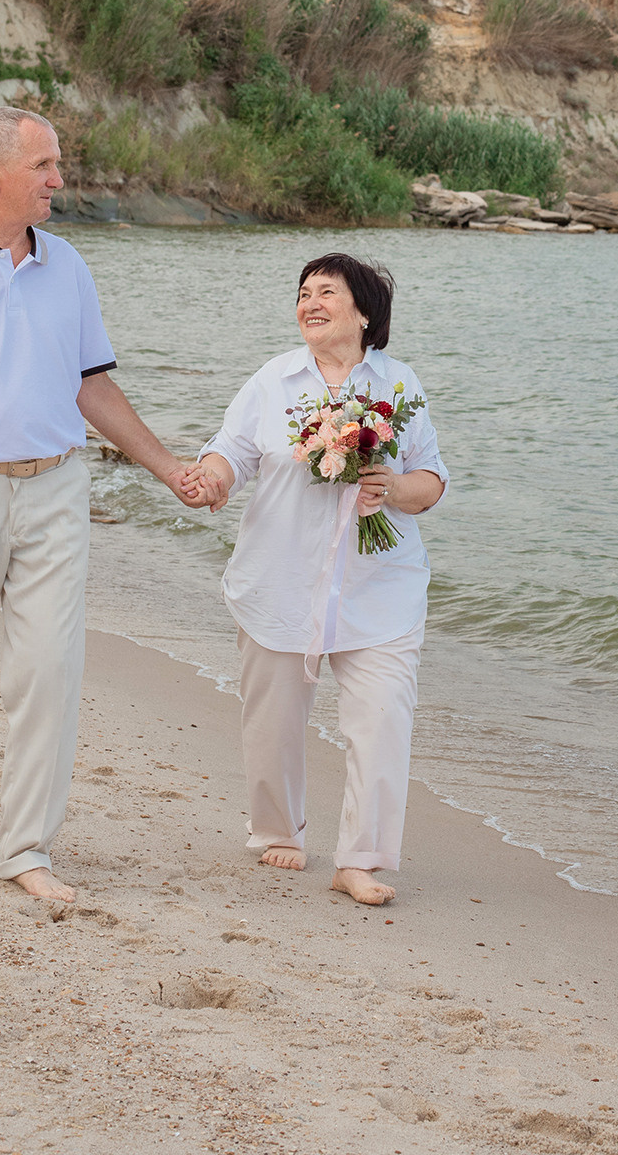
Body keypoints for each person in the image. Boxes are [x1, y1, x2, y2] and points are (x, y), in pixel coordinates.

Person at [0, 106, 216, 901]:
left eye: (58, 164)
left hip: (57, 489)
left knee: (51, 669)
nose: (60, 179)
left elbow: (92, 385)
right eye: (46, 166)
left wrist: (169, 468)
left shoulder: (70, 269)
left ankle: (27, 849)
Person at [185, 253, 447, 906]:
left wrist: (389, 487)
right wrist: (212, 477)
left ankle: (361, 860)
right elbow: (233, 450)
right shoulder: (274, 381)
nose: (310, 303)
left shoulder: (399, 385)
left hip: (379, 585)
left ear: (364, 311)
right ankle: (278, 828)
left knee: (383, 719)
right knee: (271, 723)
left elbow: (431, 482)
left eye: (327, 292)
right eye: (303, 293)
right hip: (281, 578)